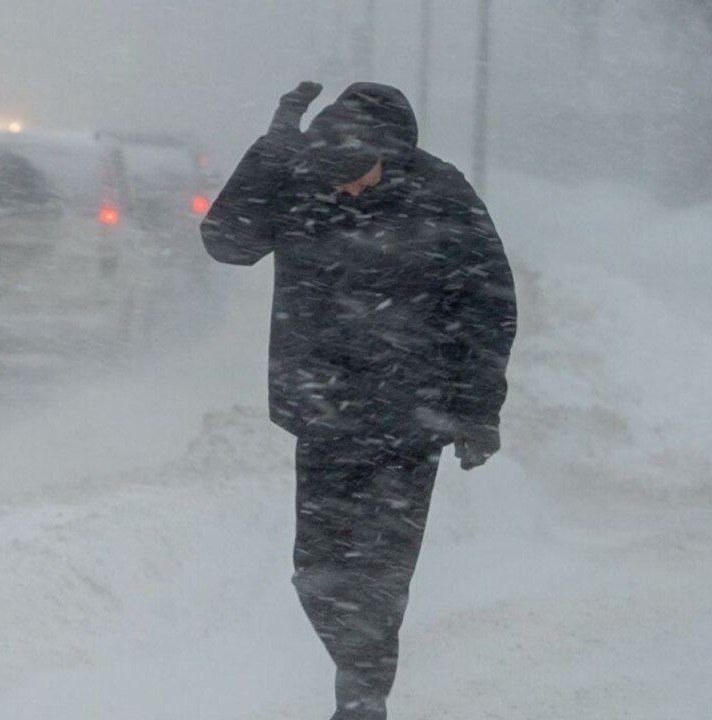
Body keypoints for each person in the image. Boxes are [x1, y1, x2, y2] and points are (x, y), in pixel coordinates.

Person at [200, 81, 517, 719]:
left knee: (380, 573)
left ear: (391, 153)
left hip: (411, 417)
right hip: (322, 412)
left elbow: (489, 306)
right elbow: (228, 244)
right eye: (333, 176)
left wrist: (480, 409)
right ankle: (360, 674)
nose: (346, 189)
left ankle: (362, 699)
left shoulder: (441, 193)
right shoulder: (298, 177)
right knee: (316, 572)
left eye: (358, 174)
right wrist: (271, 150)